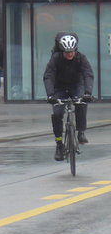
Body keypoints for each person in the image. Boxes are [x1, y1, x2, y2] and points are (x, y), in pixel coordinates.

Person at [43, 32, 94, 160]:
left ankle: (81, 132)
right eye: (67, 52)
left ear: (75, 49)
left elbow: (88, 74)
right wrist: (50, 95)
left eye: (72, 51)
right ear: (61, 51)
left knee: (81, 103)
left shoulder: (81, 58)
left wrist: (88, 92)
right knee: (57, 114)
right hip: (59, 87)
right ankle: (59, 144)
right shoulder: (56, 58)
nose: (70, 54)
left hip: (76, 85)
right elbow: (48, 76)